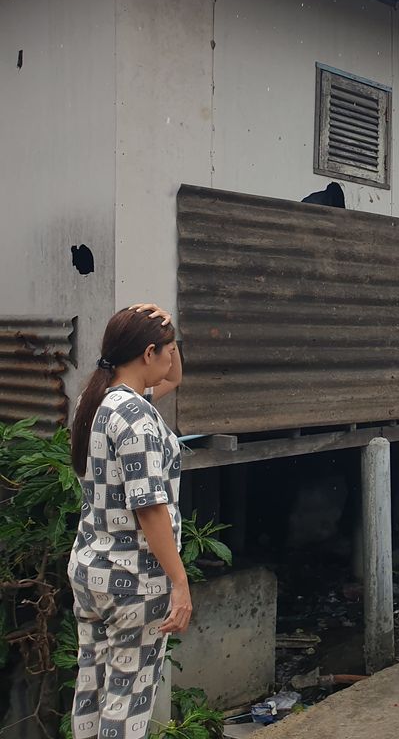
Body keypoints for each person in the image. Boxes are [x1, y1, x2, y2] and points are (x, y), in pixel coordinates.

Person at [67, 304, 190, 739]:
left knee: (93, 686)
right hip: (135, 580)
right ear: (148, 352)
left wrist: (164, 319)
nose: (172, 359)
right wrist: (179, 582)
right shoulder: (136, 418)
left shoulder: (98, 398)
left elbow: (173, 378)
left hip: (91, 571)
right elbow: (150, 506)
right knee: (128, 697)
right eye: (168, 350)